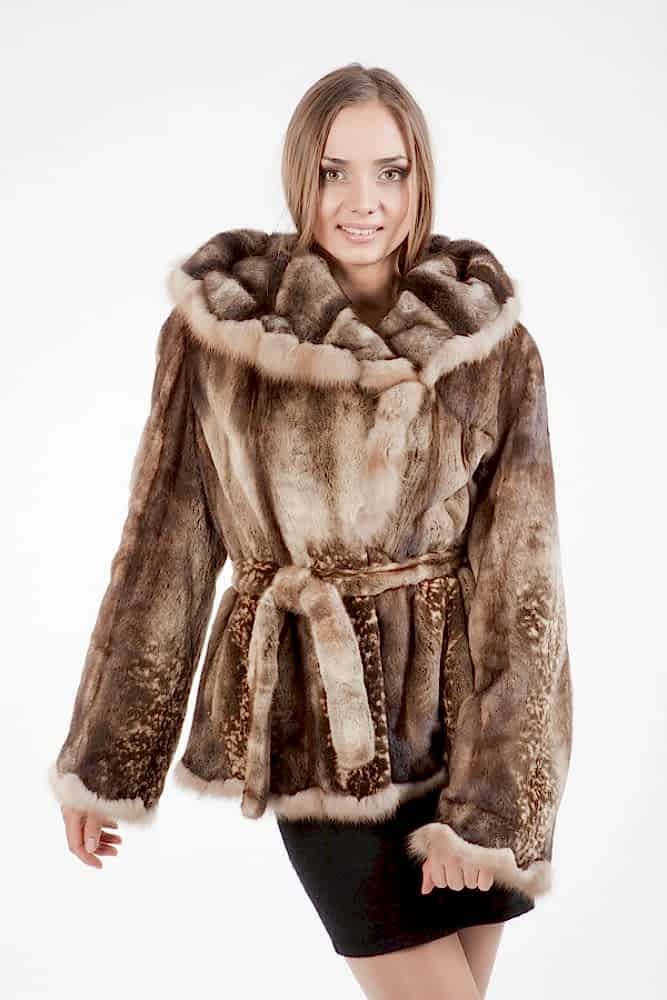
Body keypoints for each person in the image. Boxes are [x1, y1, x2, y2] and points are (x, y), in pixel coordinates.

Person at [48, 63, 573, 1000]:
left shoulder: (489, 341)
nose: (363, 201)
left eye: (390, 172)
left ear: (418, 177)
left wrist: (492, 809)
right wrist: (106, 760)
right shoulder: (221, 332)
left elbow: (523, 583)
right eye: (335, 172)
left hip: (466, 744)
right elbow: (163, 551)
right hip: (318, 733)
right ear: (302, 174)